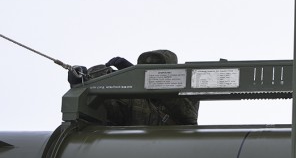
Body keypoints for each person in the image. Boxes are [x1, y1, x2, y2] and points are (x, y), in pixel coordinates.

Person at [68, 49, 199, 125]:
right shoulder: (135, 100)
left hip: (174, 146)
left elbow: (188, 117)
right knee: (101, 71)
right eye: (146, 69)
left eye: (158, 68)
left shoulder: (185, 91)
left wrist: (142, 81)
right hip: (135, 151)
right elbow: (109, 107)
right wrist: (83, 80)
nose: (152, 73)